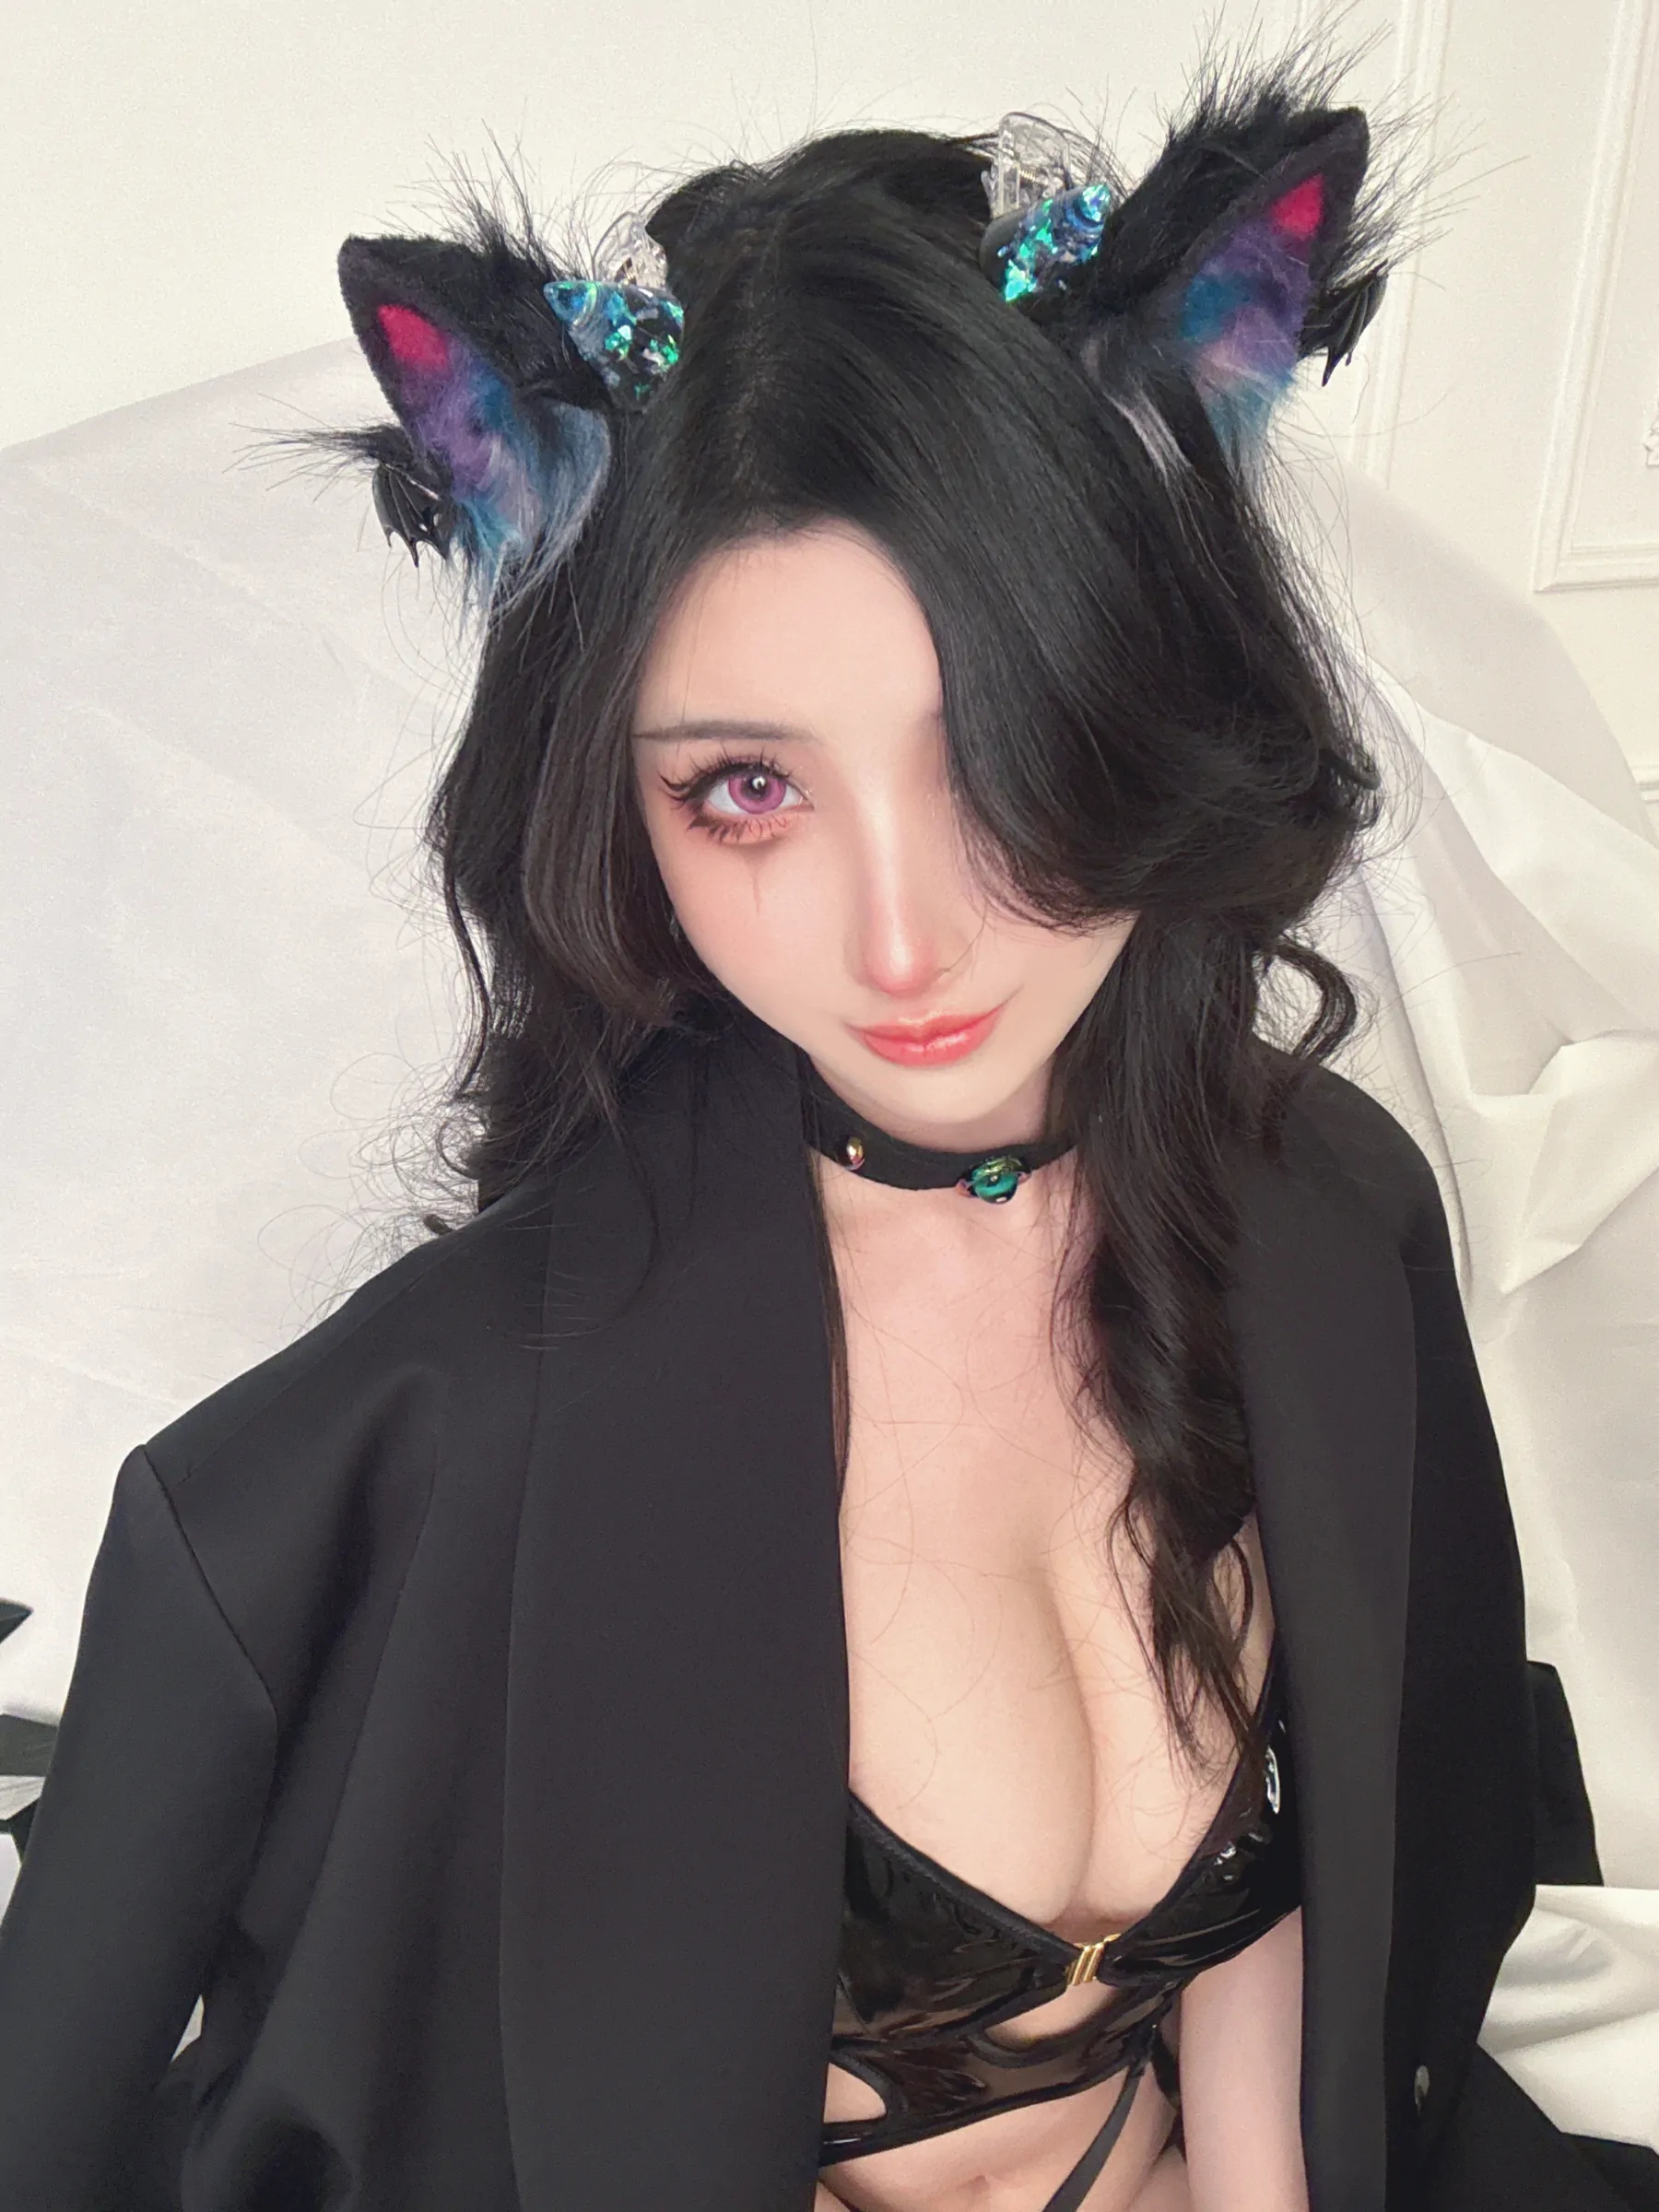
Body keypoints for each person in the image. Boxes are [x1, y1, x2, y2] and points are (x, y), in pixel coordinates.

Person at [0, 50, 1634, 2212]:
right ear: (620, 799)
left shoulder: (1331, 1226)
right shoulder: (427, 1445)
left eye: (1004, 746)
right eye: (748, 789)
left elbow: (1331, 1873)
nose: (901, 935)